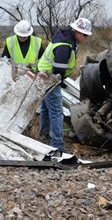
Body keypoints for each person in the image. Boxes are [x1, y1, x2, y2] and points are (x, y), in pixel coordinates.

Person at [37, 17, 92, 152]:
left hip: (45, 75)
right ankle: (57, 146)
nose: (85, 38)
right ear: (77, 32)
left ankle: (44, 137)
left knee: (45, 108)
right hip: (49, 78)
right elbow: (58, 69)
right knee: (56, 112)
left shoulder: (65, 38)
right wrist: (59, 80)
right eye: (84, 34)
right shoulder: (64, 46)